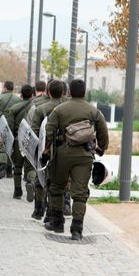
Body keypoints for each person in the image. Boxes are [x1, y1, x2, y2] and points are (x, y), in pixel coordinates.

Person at [43, 79, 108, 240]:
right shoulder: (93, 111)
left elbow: (49, 130)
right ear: (84, 92)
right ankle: (77, 229)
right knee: (80, 193)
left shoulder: (60, 109)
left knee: (57, 188)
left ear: (69, 92)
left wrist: (46, 149)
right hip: (84, 156)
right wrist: (101, 148)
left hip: (62, 155)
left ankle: (57, 223)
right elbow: (103, 132)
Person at [30, 80, 65, 221]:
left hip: (45, 149)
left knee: (41, 178)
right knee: (58, 182)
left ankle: (38, 210)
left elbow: (34, 132)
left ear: (48, 92)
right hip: (63, 150)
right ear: (63, 92)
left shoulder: (41, 109)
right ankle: (53, 212)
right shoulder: (66, 108)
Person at [7, 84, 34, 200]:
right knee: (31, 166)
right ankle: (30, 182)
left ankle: (17, 191)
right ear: (32, 95)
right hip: (32, 141)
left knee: (17, 167)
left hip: (18, 140)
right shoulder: (36, 108)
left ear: (21, 95)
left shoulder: (14, 108)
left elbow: (10, 127)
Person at [0, 81, 20, 179]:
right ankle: (9, 171)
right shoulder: (18, 99)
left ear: (4, 87)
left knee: (1, 147)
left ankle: (2, 168)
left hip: (0, 125)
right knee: (10, 147)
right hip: (13, 127)